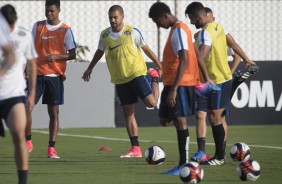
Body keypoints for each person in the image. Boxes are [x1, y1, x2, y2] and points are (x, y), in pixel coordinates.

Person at [82, 5, 162, 158]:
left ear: (122, 17)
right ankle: (135, 148)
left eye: (115, 17)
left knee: (151, 104)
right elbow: (100, 51)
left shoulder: (132, 32)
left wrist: (158, 64)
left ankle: (155, 78)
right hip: (120, 79)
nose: (112, 20)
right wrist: (89, 68)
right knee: (128, 112)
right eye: (110, 17)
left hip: (136, 74)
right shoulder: (104, 35)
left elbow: (146, 49)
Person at [185, 2, 256, 165]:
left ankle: (219, 157)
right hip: (224, 78)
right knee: (215, 116)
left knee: (215, 118)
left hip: (215, 81)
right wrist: (246, 59)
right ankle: (219, 155)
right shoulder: (218, 27)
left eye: (192, 19)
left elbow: (202, 56)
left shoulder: (204, 34)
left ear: (199, 17)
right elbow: (233, 44)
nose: (191, 22)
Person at [149, 2, 200, 175]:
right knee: (164, 119)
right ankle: (183, 160)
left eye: (157, 22)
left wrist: (175, 89)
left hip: (181, 84)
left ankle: (183, 165)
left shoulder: (178, 30)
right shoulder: (176, 29)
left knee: (180, 120)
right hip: (171, 82)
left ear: (165, 16)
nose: (158, 26)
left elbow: (184, 59)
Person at [190, 7, 242, 162]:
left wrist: (230, 74)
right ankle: (204, 151)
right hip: (204, 83)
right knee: (204, 115)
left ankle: (221, 154)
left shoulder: (217, 34)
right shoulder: (201, 37)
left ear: (209, 18)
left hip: (218, 81)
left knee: (218, 118)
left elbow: (236, 55)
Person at [27, 0, 76, 158]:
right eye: (47, 11)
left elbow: (73, 54)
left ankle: (51, 149)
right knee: (26, 108)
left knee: (54, 113)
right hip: (36, 75)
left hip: (55, 77)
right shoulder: (38, 26)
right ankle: (28, 140)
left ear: (59, 10)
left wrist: (57, 56)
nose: (49, 14)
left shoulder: (65, 30)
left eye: (52, 11)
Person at [0, 4, 37, 184]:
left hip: (13, 95)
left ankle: (22, 181)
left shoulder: (24, 35)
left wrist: (31, 94)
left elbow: (31, 64)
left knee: (18, 134)